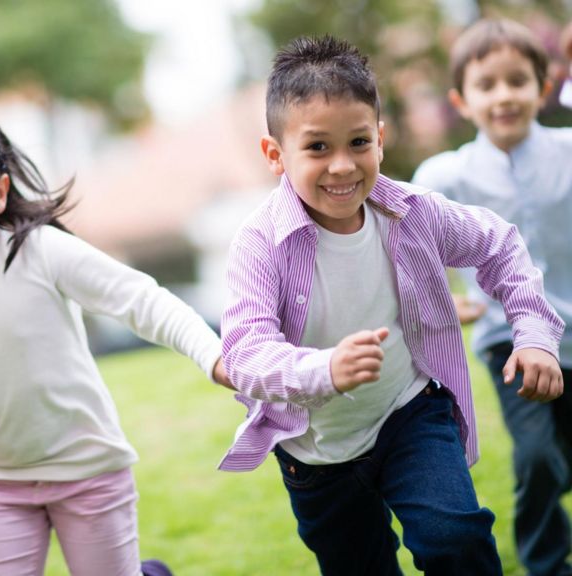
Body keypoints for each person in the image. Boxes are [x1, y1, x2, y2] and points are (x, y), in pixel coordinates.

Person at [219, 35, 565, 575]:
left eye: (358, 142)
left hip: (410, 413)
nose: (342, 166)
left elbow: (501, 246)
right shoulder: (260, 243)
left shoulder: (414, 213)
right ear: (275, 155)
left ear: (380, 138)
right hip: (318, 453)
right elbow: (244, 352)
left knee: (456, 539)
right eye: (316, 148)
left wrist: (534, 333)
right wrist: (324, 368)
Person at [0, 107, 231, 576]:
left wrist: (212, 355)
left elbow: (142, 301)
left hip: (88, 470)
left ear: (0, 191)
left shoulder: (40, 252)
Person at [412, 18, 572, 576]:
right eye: (487, 85)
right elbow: (411, 250)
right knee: (536, 457)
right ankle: (547, 562)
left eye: (516, 80)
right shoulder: (445, 175)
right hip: (509, 340)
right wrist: (442, 300)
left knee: (562, 458)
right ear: (462, 99)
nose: (503, 95)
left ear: (544, 86)